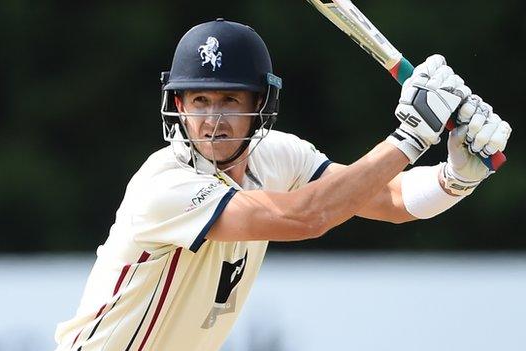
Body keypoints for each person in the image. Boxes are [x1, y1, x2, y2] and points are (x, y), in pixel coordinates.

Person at [53, 19, 512, 351]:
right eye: (199, 101)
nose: (213, 121)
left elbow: (387, 198)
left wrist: (452, 179)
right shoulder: (164, 184)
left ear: (261, 103)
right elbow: (305, 216)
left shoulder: (279, 154)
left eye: (230, 99)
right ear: (177, 104)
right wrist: (411, 137)